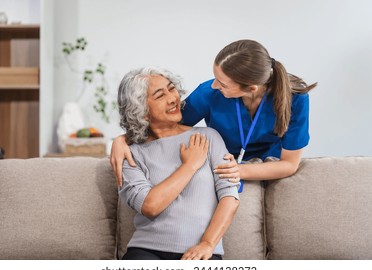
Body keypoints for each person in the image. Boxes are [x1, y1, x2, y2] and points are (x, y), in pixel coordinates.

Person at [111, 39, 317, 187]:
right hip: (223, 165)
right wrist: (122, 140)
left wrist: (240, 170)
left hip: (269, 168)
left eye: (223, 83)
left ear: (251, 88)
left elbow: (290, 164)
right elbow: (165, 125)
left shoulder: (296, 98)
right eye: (215, 77)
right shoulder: (208, 92)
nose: (215, 85)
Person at [117, 67, 240, 260]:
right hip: (145, 251)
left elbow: (230, 197)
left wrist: (207, 244)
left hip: (202, 253)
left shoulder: (208, 137)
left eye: (171, 88)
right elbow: (150, 206)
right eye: (159, 95)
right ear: (142, 112)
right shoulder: (129, 153)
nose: (173, 98)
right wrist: (189, 165)